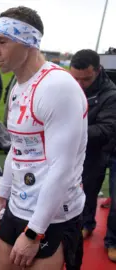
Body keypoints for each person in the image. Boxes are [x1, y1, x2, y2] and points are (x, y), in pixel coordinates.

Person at [0, 6, 88, 270]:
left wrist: (34, 232)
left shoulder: (58, 87)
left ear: (27, 42)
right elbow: (17, 149)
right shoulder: (18, 87)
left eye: (2, 42)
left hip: (52, 217)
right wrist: (1, 197)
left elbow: (61, 168)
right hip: (18, 207)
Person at [69, 49, 116, 245]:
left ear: (98, 70)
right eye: (75, 79)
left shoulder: (111, 94)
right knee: (86, 189)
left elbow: (106, 129)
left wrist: (70, 130)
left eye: (85, 80)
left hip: (110, 146)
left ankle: (113, 240)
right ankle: (86, 224)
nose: (79, 85)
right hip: (92, 149)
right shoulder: (69, 86)